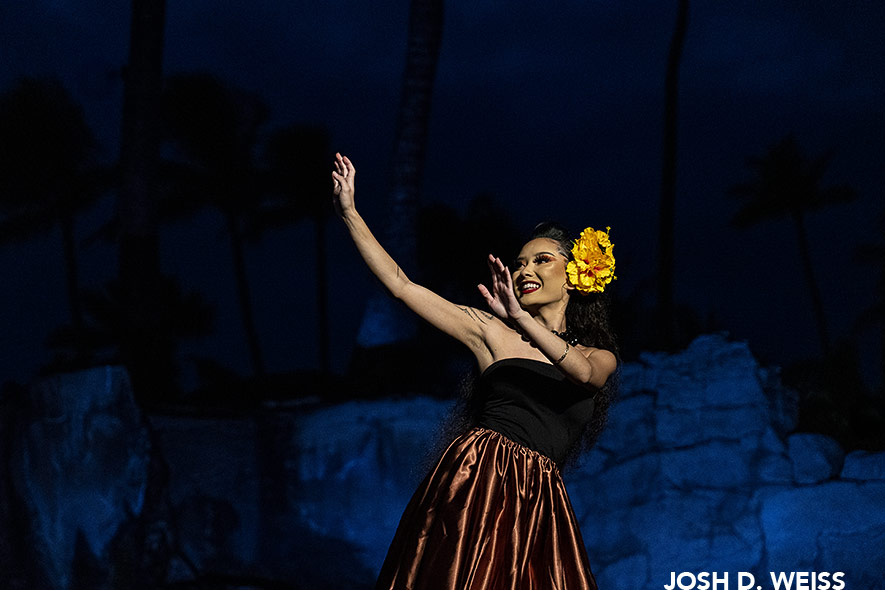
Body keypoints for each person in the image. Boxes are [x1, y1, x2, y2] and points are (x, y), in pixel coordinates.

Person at [332, 153, 618, 590]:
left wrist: (521, 319)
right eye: (519, 263)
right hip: (478, 480)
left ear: (574, 273)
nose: (524, 270)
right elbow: (402, 285)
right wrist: (350, 212)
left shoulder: (599, 355)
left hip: (542, 502)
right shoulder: (491, 332)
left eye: (541, 260)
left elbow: (583, 375)